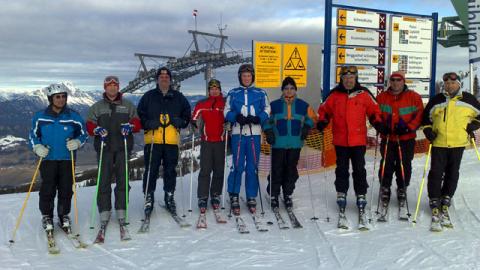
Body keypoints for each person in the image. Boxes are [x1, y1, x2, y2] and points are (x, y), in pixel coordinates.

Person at [317, 65, 384, 229]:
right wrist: (323, 121)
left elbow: (374, 110)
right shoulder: (334, 94)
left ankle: (361, 195)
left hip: (358, 141)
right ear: (341, 79)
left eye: (351, 78)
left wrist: (377, 122)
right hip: (340, 141)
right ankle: (342, 194)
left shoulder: (364, 94)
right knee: (341, 169)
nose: (348, 81)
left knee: (359, 169)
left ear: (356, 78)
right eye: (345, 78)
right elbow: (324, 110)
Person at [422, 72, 480, 231]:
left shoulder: (468, 99)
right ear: (444, 85)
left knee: (453, 172)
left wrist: (473, 125)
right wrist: (428, 131)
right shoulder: (437, 100)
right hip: (439, 142)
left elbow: (479, 116)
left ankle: (447, 196)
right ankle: (434, 199)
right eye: (446, 83)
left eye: (453, 83)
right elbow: (425, 118)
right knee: (436, 173)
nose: (449, 86)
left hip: (458, 143)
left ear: (459, 84)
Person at [29, 82, 87, 233]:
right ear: (50, 98)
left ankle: (63, 215)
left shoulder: (73, 116)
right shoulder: (40, 117)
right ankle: (47, 215)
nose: (61, 99)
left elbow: (83, 134)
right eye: (57, 97)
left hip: (67, 159)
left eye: (63, 96)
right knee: (47, 188)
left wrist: (77, 142)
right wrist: (37, 147)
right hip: (47, 158)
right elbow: (33, 135)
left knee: (66, 189)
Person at [86, 76, 141, 228]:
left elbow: (137, 122)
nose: (112, 88)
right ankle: (104, 210)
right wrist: (95, 129)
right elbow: (89, 124)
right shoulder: (97, 106)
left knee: (123, 180)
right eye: (109, 85)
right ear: (105, 88)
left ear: (118, 87)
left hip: (123, 148)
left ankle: (121, 209)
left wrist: (131, 126)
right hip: (105, 148)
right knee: (103, 181)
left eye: (115, 85)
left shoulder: (128, 105)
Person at [137, 67, 191, 216]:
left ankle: (169, 196)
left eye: (167, 76)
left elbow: (187, 114)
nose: (164, 78)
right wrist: (148, 123)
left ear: (170, 79)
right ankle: (149, 197)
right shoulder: (148, 96)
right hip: (153, 139)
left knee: (170, 171)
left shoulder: (178, 97)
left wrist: (180, 122)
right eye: (161, 76)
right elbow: (139, 115)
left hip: (171, 140)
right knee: (150, 170)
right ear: (157, 79)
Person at [375, 71, 424, 220]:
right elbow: (375, 113)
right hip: (388, 137)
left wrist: (409, 127)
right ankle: (385, 188)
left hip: (406, 137)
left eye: (398, 80)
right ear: (390, 81)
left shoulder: (414, 97)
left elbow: (419, 115)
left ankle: (402, 188)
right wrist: (381, 126)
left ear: (403, 82)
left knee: (404, 164)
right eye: (393, 80)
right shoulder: (382, 97)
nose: (395, 83)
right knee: (387, 163)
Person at [263, 76, 316, 209]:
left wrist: (306, 127)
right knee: (276, 169)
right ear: (282, 90)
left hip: (295, 143)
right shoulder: (274, 105)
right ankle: (273, 194)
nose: (289, 91)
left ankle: (287, 194)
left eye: (291, 88)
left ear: (295, 90)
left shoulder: (303, 105)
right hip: (278, 143)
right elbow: (265, 119)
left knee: (290, 170)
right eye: (286, 88)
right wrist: (268, 131)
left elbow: (313, 117)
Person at [224, 64, 270, 215]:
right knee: (237, 165)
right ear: (240, 77)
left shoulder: (260, 92)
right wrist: (235, 117)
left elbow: (267, 109)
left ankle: (251, 195)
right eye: (243, 76)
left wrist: (258, 118)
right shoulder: (233, 93)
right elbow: (226, 110)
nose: (246, 78)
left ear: (252, 77)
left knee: (252, 166)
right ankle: (234, 194)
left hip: (254, 133)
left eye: (248, 76)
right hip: (238, 132)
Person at [191, 79, 226, 214]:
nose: (214, 90)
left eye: (216, 88)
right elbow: (194, 117)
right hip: (206, 141)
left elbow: (230, 116)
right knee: (205, 169)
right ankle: (203, 196)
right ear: (209, 90)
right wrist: (193, 124)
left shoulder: (225, 104)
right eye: (212, 88)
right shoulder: (202, 104)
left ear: (220, 90)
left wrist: (228, 124)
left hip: (221, 140)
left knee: (219, 169)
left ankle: (215, 194)